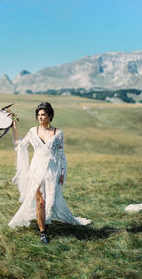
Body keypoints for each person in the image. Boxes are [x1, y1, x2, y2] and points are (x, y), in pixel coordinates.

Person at [8, 102, 91, 243]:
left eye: (43, 114)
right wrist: (14, 128)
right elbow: (21, 145)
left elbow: (61, 154)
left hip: (52, 170)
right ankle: (43, 232)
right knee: (40, 201)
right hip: (36, 169)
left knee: (49, 202)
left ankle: (45, 224)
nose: (40, 117)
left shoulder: (58, 133)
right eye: (38, 115)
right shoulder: (33, 131)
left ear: (50, 116)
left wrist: (63, 172)